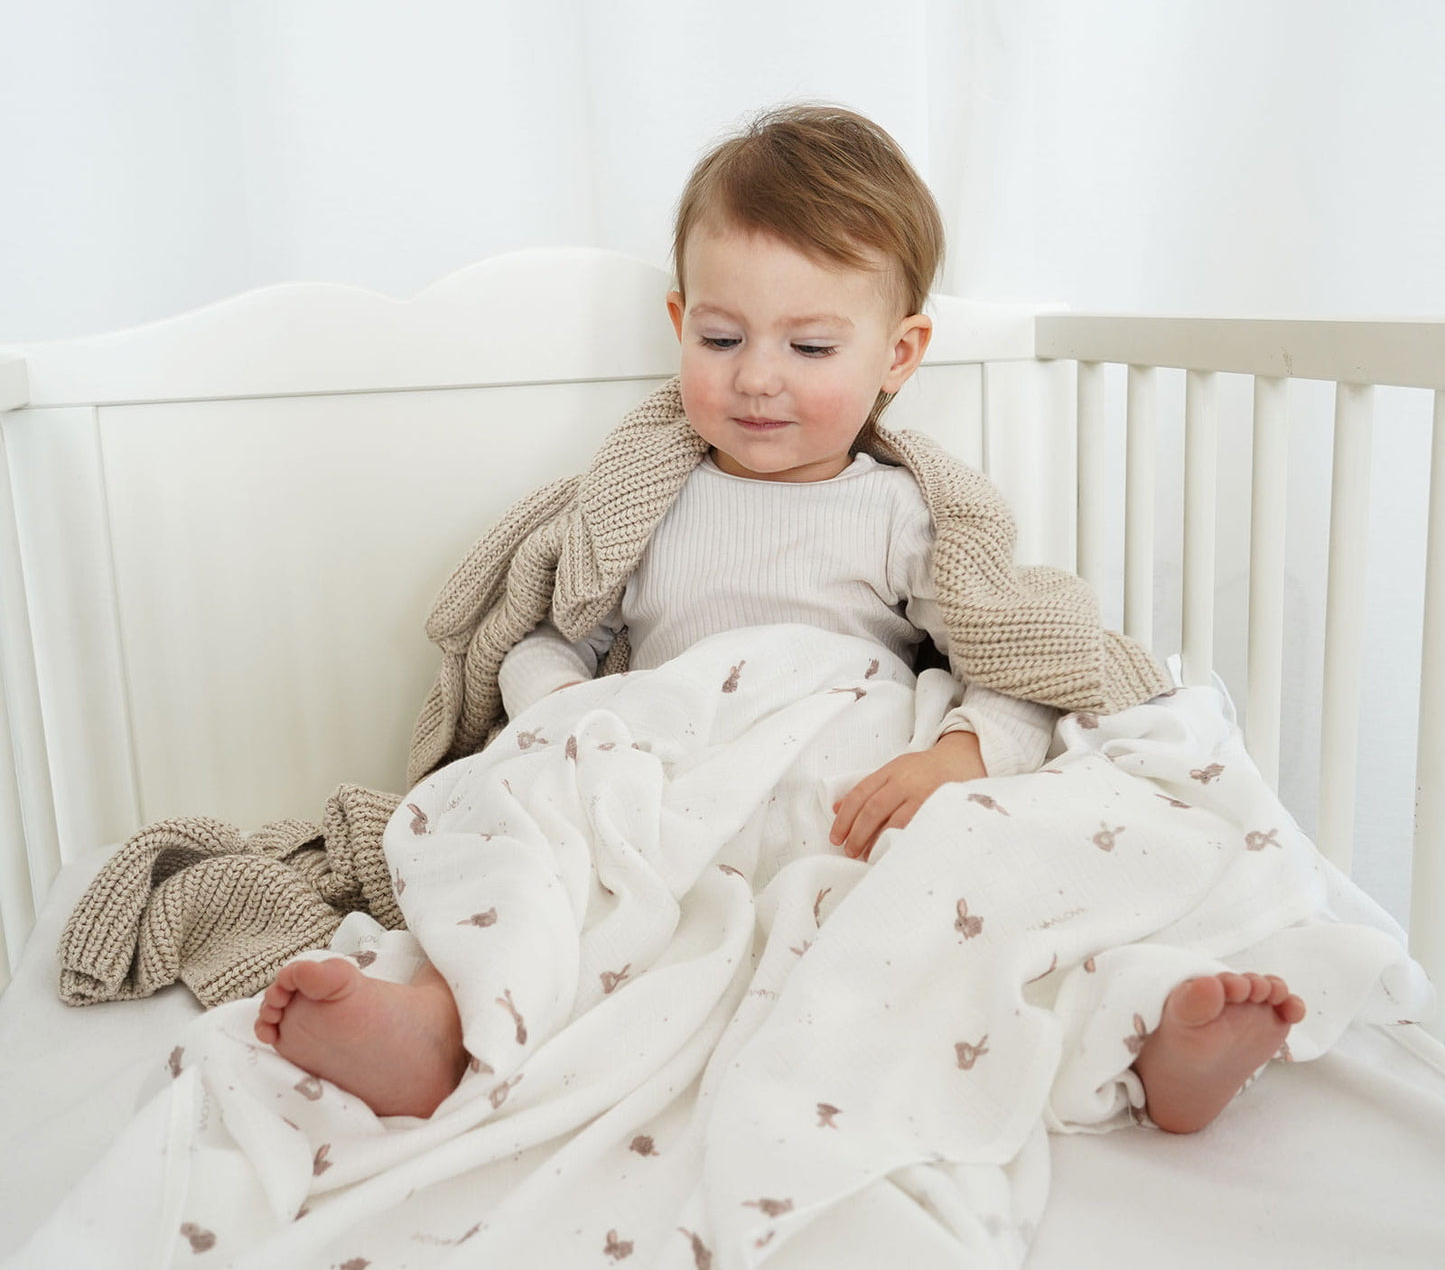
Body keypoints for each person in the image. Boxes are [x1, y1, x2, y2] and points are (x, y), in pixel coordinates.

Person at [255, 104, 1304, 1130]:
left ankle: (1137, 1024)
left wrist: (958, 751)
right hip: (669, 785)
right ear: (679, 325)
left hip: (840, 792)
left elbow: (1008, 653)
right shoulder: (644, 500)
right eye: (721, 336)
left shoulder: (902, 514)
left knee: (996, 864)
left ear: (896, 357)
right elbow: (543, 635)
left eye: (809, 348)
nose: (756, 377)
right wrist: (574, 709)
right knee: (522, 833)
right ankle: (440, 1021)